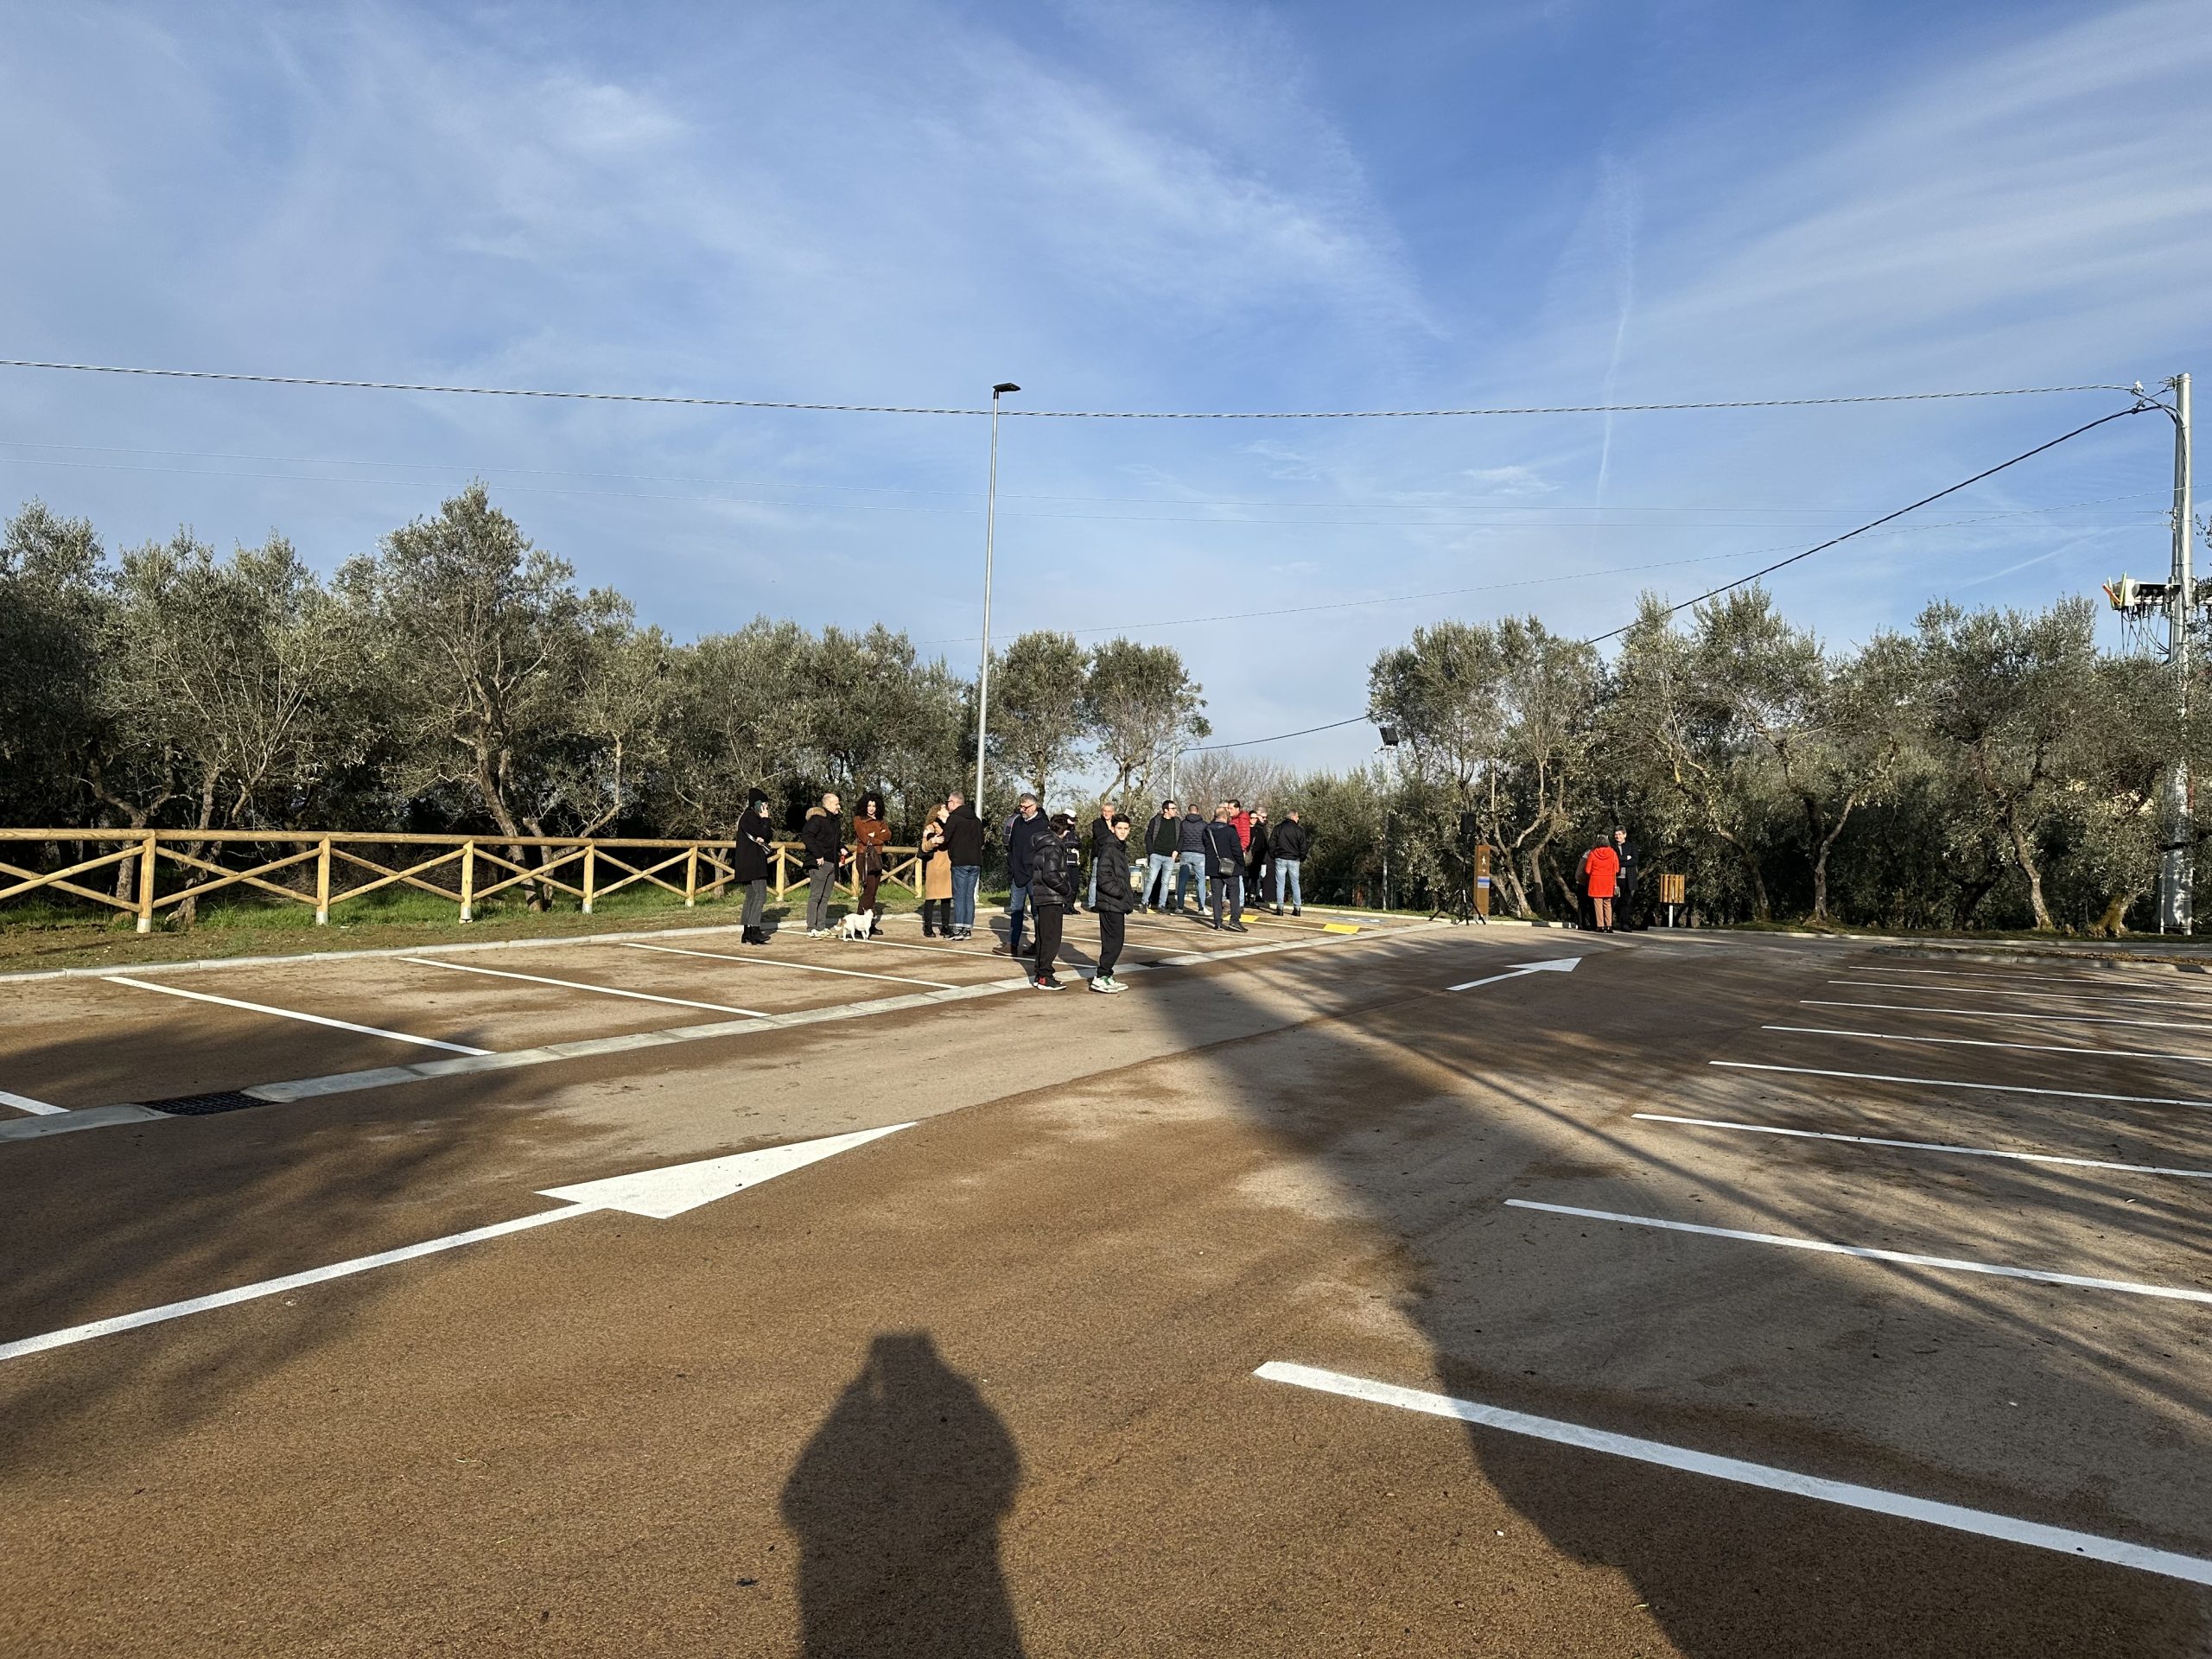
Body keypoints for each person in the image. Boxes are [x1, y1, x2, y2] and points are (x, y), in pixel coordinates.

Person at [1025, 811, 1078, 989]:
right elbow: (1050, 874)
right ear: (1062, 830)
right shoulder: (1054, 847)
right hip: (1051, 897)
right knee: (1051, 939)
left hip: (1043, 896)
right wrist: (1067, 890)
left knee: (1043, 937)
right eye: (1067, 830)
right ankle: (1045, 976)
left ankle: (1041, 973)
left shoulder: (1043, 844)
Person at [997, 793, 1048, 957]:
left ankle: (1040, 945)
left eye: (1025, 807)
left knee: (1037, 912)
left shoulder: (1042, 824)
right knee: (1016, 910)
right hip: (1017, 875)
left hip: (1034, 876)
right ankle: (1012, 944)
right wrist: (1012, 868)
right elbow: (1012, 847)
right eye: (1021, 806)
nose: (1022, 810)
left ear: (1034, 806)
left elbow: (1045, 851)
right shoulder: (1017, 822)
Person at [1090, 814, 1135, 992]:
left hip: (1116, 903)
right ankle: (1101, 976)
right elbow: (1103, 877)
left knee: (1114, 941)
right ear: (1112, 829)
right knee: (1114, 942)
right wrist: (1120, 892)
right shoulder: (1109, 848)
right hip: (1110, 902)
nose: (1123, 832)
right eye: (1119, 828)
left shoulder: (1119, 848)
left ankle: (1106, 975)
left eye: (1126, 829)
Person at [801, 792, 848, 938]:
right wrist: (818, 854)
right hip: (819, 863)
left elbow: (833, 841)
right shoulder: (817, 819)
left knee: (825, 897)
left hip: (832, 863)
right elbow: (807, 836)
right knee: (815, 896)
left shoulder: (835, 821)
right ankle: (811, 928)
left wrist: (842, 847)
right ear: (827, 804)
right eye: (836, 804)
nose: (839, 806)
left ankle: (821, 927)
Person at [731, 794, 776, 944]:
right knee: (761, 895)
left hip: (746, 863)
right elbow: (766, 834)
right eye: (765, 804)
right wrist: (766, 819)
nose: (767, 807)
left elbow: (765, 836)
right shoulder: (751, 817)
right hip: (754, 863)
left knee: (750, 896)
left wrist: (763, 831)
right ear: (758, 804)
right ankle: (755, 930)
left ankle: (747, 931)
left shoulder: (746, 817)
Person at [942, 790, 984, 940]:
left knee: (959, 896)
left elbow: (945, 838)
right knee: (968, 896)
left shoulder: (954, 818)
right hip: (975, 862)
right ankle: (967, 929)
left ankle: (958, 929)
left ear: (954, 802)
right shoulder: (976, 820)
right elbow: (982, 840)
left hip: (960, 861)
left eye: (948, 802)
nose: (947, 805)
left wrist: (931, 837)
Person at [852, 792, 892, 933]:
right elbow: (864, 838)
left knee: (873, 891)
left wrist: (875, 836)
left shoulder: (881, 820)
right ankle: (859, 924)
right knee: (868, 890)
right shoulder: (859, 819)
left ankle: (869, 924)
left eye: (874, 806)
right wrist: (879, 837)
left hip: (878, 857)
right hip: (865, 857)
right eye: (869, 805)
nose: (871, 808)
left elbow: (888, 834)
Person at [1205, 804, 1246, 931]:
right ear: (1226, 816)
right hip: (1230, 867)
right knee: (1234, 893)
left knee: (1216, 895)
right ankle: (1234, 920)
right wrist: (1241, 863)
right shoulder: (1230, 831)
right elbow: (1237, 850)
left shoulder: (1207, 830)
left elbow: (1205, 846)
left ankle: (1217, 922)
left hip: (1213, 867)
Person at [918, 804, 953, 938]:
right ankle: (927, 927)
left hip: (948, 867)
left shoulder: (951, 825)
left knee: (946, 898)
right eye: (944, 807)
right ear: (938, 812)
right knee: (931, 898)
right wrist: (932, 840)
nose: (947, 809)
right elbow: (924, 847)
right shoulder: (930, 827)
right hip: (935, 867)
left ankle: (945, 926)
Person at [1579, 834, 1622, 932]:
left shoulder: (1593, 853)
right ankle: (1609, 926)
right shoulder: (1613, 853)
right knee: (1608, 903)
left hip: (1596, 881)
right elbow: (1617, 869)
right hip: (1609, 881)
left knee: (1598, 903)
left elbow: (1587, 870)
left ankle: (1600, 925)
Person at [1142, 798, 1180, 910]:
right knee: (1151, 880)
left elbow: (1181, 837)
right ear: (1166, 810)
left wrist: (1177, 851)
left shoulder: (1178, 822)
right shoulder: (1156, 821)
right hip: (1156, 855)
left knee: (1165, 883)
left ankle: (1162, 905)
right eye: (1173, 808)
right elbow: (1148, 836)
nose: (1175, 810)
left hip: (1170, 857)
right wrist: (1151, 853)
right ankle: (1144, 903)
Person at [1084, 797, 1117, 912]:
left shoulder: (1116, 823)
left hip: (1112, 856)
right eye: (1104, 811)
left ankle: (1107, 901)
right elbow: (1099, 837)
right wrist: (1111, 832)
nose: (1106, 813)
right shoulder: (1097, 823)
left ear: (1113, 812)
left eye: (1109, 811)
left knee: (1110, 879)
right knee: (1095, 879)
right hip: (1099, 855)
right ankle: (1092, 903)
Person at [1271, 808, 1307, 915]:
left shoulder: (1278, 828)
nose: (1298, 819)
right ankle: (1297, 908)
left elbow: (1272, 844)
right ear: (1293, 817)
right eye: (1297, 817)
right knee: (1295, 883)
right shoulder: (1299, 830)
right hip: (1294, 859)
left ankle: (1280, 908)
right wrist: (1301, 857)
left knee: (1280, 883)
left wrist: (1274, 855)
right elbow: (1304, 846)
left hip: (1281, 858)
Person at [1175, 802, 1210, 912]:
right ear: (1198, 811)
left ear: (1189, 811)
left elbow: (1179, 838)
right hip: (1200, 854)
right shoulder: (1204, 824)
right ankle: (1201, 908)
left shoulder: (1183, 824)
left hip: (1185, 853)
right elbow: (1206, 840)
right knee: (1201, 881)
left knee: (1182, 881)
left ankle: (1180, 907)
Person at [1611, 827, 1640, 931]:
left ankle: (1625, 924)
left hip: (1628, 879)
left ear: (1625, 835)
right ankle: (1609, 923)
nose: (1617, 836)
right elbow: (1612, 860)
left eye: (1619, 834)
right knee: (1612, 901)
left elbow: (1634, 861)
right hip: (1615, 879)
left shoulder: (1632, 846)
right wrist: (1625, 858)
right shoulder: (1611, 847)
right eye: (1616, 834)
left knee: (1625, 902)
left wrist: (1620, 862)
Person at [1245, 807, 1271, 915]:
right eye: (1252, 818)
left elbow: (1264, 846)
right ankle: (1244, 898)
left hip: (1256, 859)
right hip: (1245, 858)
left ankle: (1251, 898)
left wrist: (1260, 858)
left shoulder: (1259, 831)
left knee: (1254, 879)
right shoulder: (1244, 829)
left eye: (1256, 818)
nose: (1254, 820)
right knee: (1245, 878)